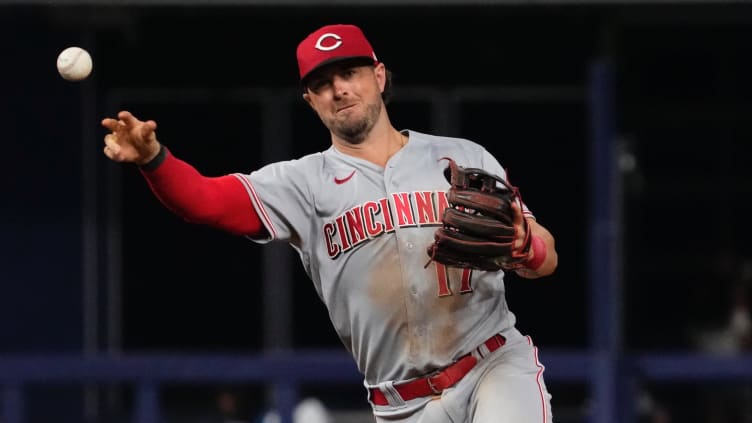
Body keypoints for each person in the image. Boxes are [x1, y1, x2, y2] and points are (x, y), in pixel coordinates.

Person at [101, 23, 558, 423]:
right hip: (402, 404)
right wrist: (154, 160)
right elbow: (205, 201)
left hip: (492, 368)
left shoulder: (460, 155)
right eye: (322, 83)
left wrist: (525, 246)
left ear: (379, 76)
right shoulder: (303, 183)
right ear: (310, 100)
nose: (339, 88)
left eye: (349, 73)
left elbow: (545, 258)